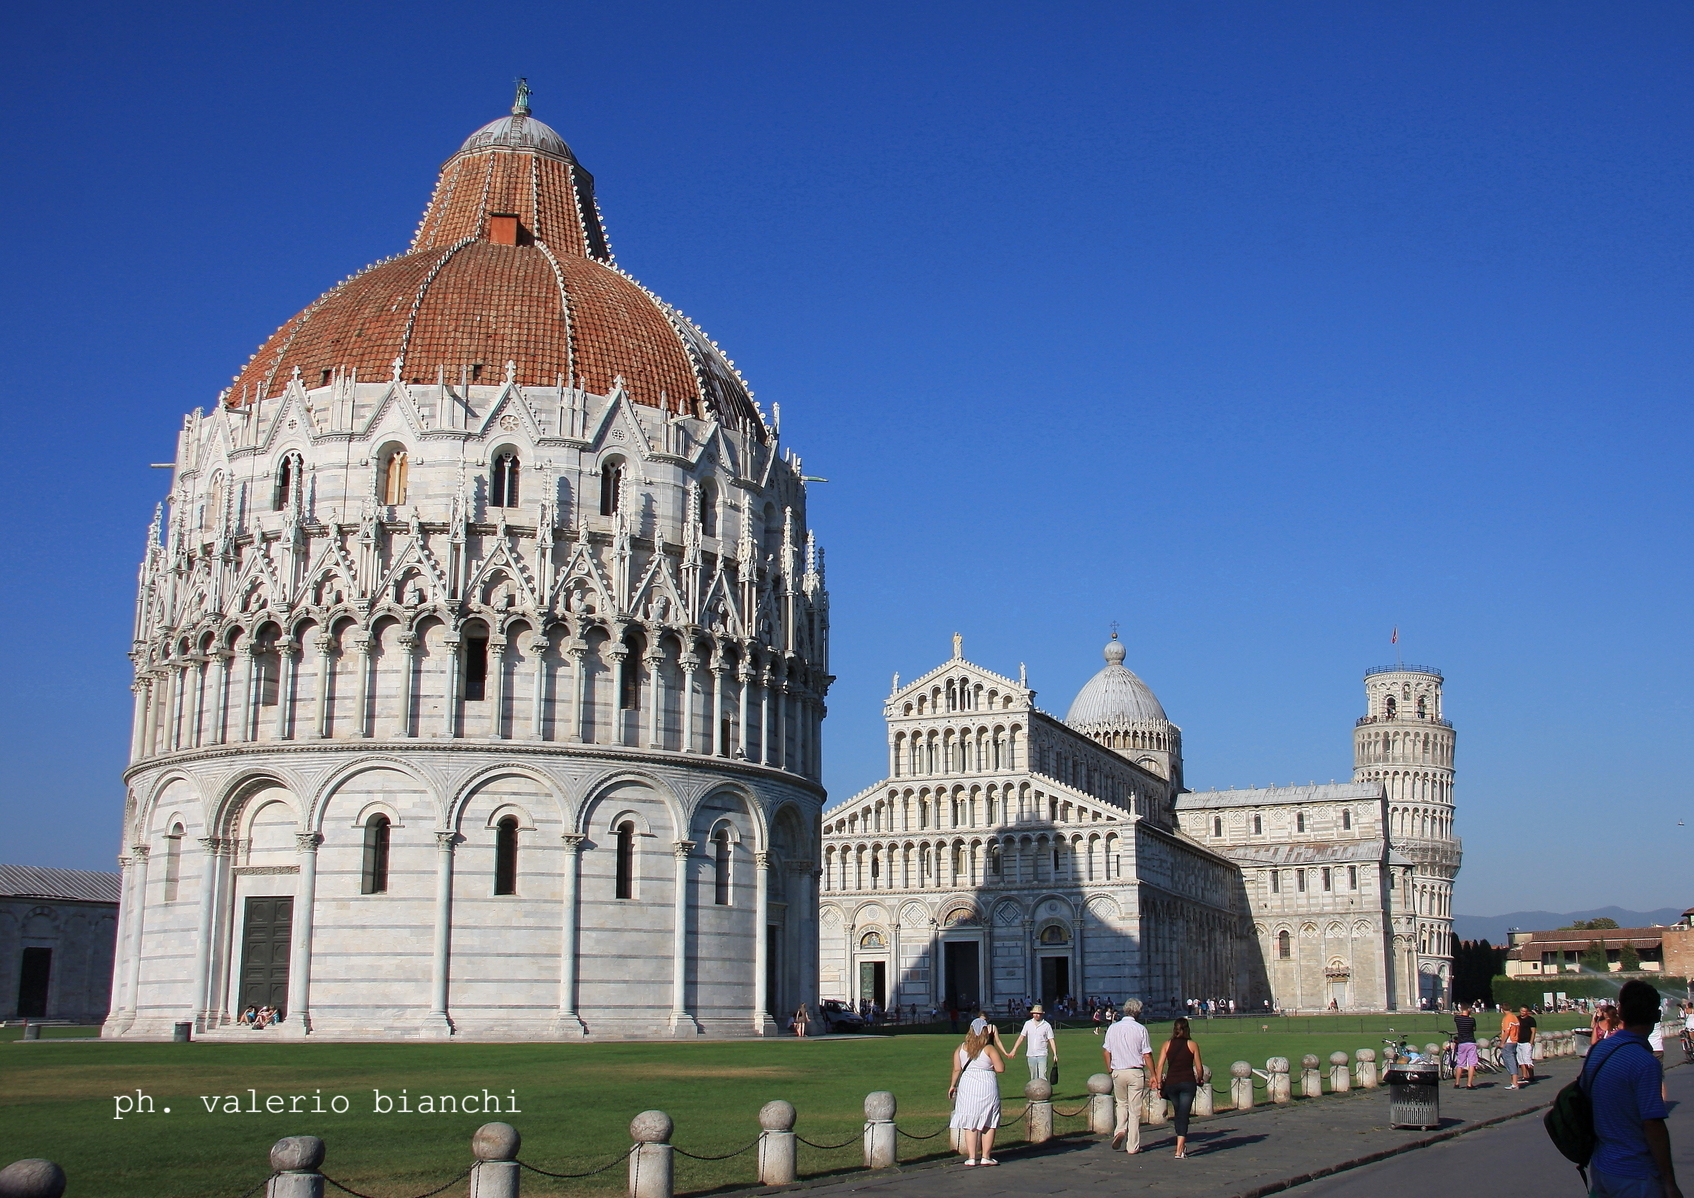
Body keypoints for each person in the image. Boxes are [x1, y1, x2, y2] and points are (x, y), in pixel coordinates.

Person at [1581, 980, 1682, 1198]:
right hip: (1635, 1173)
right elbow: (1652, 1124)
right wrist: (1669, 1181)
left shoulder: (1598, 1051)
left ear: (1620, 1011)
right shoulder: (1645, 1063)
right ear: (1656, 1016)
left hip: (1601, 1166)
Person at [1102, 998, 1155, 1155]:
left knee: (1121, 1104)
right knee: (1134, 1110)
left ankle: (1119, 1131)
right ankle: (1132, 1146)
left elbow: (1106, 1051)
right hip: (1135, 1072)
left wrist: (1110, 1070)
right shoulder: (1140, 1029)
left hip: (1118, 1071)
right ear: (1138, 1012)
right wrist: (1153, 1074)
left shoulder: (1113, 1028)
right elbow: (1146, 1054)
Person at [948, 1025, 1005, 1167]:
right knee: (988, 1122)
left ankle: (972, 1157)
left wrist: (952, 1085)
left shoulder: (961, 1048)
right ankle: (986, 1156)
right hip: (986, 1085)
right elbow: (1000, 1068)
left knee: (970, 1123)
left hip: (967, 1085)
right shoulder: (989, 1049)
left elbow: (956, 1068)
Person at [1156, 1017, 1203, 1159]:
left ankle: (1181, 1145)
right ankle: (1179, 1149)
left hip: (1171, 1084)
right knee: (1183, 1114)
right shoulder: (1192, 1044)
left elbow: (1160, 1066)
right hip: (1187, 1083)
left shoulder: (1166, 1044)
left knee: (1179, 1113)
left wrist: (1159, 1084)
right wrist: (1199, 1078)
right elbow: (1199, 1067)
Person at [1010, 1004, 1058, 1081]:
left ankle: (1044, 1092)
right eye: (1035, 1013)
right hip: (1031, 1054)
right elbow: (1021, 1037)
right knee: (1033, 1077)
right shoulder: (1028, 1024)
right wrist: (1014, 1050)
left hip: (1042, 1054)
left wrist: (1055, 1054)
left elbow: (1051, 1040)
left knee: (1043, 1076)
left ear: (1042, 1014)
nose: (1036, 1015)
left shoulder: (1046, 1025)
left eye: (1038, 1014)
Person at [1453, 1004, 1479, 1089]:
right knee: (1472, 1064)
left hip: (1462, 1042)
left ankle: (1457, 1083)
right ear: (1468, 1009)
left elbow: (1456, 1016)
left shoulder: (1457, 1018)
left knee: (1460, 1064)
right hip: (1470, 1042)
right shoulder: (1472, 1020)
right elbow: (1474, 1029)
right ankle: (1469, 1084)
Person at [1517, 1005, 1538, 1086]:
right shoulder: (1517, 1019)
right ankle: (1524, 1076)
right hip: (1519, 1042)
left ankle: (1531, 1076)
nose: (1523, 1013)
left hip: (1527, 1042)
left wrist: (1531, 1042)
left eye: (1524, 1011)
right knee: (1521, 1060)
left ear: (1527, 1012)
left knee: (1527, 1060)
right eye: (1522, 1011)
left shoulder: (1531, 1020)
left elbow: (1533, 1031)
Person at [1501, 1006, 1521, 1089]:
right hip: (1514, 1040)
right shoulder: (1515, 1017)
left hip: (1508, 1041)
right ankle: (1513, 1081)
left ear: (1502, 1010)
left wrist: (1502, 1042)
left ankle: (1515, 1082)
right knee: (1513, 1060)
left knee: (1509, 1061)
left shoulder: (1507, 1018)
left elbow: (1507, 1031)